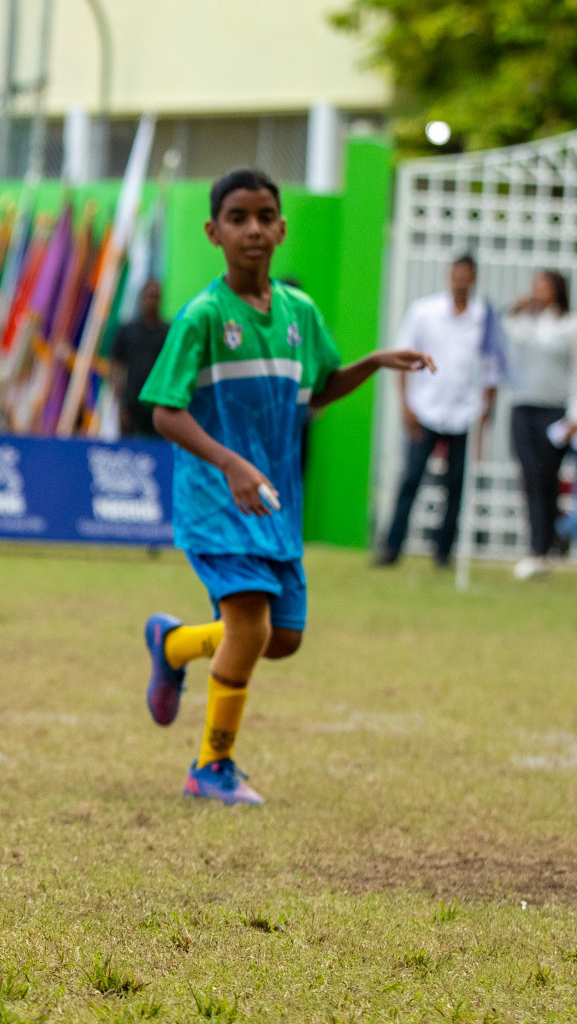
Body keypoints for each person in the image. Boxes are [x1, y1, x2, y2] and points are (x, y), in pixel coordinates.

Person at [138, 168, 434, 806]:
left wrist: (375, 362)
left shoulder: (300, 313)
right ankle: (210, 768)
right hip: (218, 500)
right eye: (238, 218)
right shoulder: (203, 316)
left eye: (265, 216)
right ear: (214, 231)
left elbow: (320, 388)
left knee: (283, 639)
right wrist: (230, 463)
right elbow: (164, 410)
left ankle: (175, 642)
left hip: (275, 507)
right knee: (249, 628)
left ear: (282, 227)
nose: (254, 229)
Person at [375, 255, 504, 567]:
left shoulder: (484, 318)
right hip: (427, 408)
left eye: (466, 276)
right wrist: (406, 405)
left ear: (474, 279)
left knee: (456, 487)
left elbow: (492, 370)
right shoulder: (425, 312)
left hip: (464, 414)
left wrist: (485, 415)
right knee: (411, 480)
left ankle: (443, 553)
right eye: (456, 275)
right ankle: (391, 548)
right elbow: (403, 360)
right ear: (449, 276)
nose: (460, 281)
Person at [502, 270, 575, 579]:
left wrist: (573, 416)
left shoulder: (569, 325)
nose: (538, 291)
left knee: (546, 479)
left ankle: (544, 545)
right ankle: (539, 545)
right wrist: (517, 309)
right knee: (529, 477)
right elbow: (506, 336)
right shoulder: (526, 323)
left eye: (544, 286)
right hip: (523, 407)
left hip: (553, 410)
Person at [109, 279, 170, 438]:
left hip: (158, 403)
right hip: (131, 403)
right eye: (148, 296)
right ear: (142, 298)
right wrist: (120, 402)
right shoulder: (127, 330)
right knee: (127, 450)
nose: (151, 301)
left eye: (155, 296)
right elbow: (116, 366)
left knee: (158, 452)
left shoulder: (168, 332)